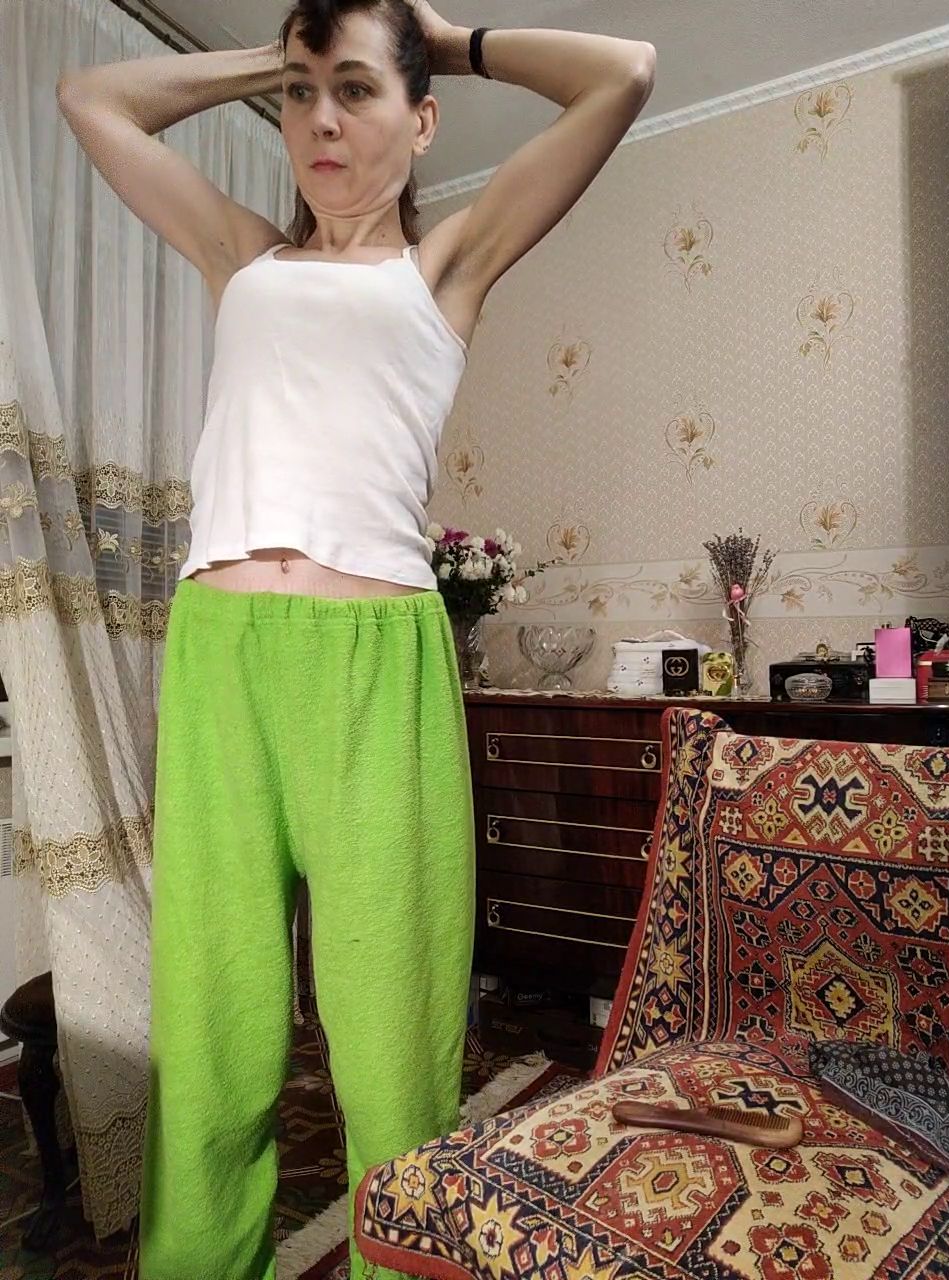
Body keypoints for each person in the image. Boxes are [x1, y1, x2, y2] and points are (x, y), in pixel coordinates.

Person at [56, 3, 655, 1276]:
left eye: (358, 90)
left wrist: (449, 36)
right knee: (213, 1025)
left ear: (422, 119)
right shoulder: (243, 256)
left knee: (392, 1034)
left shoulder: (446, 268)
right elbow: (91, 101)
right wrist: (272, 60)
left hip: (376, 665)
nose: (322, 120)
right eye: (301, 94)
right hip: (222, 658)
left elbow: (624, 73)